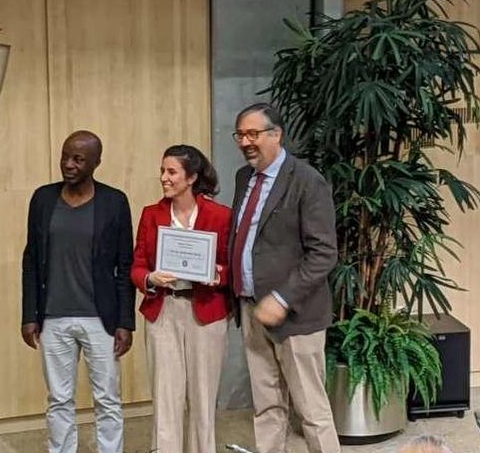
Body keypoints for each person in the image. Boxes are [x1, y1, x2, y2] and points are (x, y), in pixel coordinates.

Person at [229, 103, 340, 453]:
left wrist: (282, 297)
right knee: (266, 406)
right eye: (240, 135)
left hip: (296, 315)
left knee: (312, 410)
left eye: (253, 134)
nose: (246, 141)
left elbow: (324, 253)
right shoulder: (243, 178)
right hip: (251, 307)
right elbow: (249, 239)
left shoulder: (307, 181)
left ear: (276, 134)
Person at [21, 130, 135, 453]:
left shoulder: (114, 201)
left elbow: (125, 264)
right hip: (53, 317)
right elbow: (31, 259)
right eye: (65, 156)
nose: (68, 164)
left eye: (78, 159)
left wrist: (125, 321)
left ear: (96, 163)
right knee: (58, 399)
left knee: (108, 399)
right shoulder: (43, 199)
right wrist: (29, 315)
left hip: (102, 318)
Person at [130, 144, 231, 453]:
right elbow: (136, 265)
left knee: (202, 396)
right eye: (163, 170)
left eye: (171, 172)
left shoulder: (221, 215)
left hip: (207, 312)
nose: (164, 177)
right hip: (164, 310)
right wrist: (150, 278)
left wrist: (218, 275)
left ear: (191, 177)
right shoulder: (152, 214)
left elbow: (233, 266)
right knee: (165, 395)